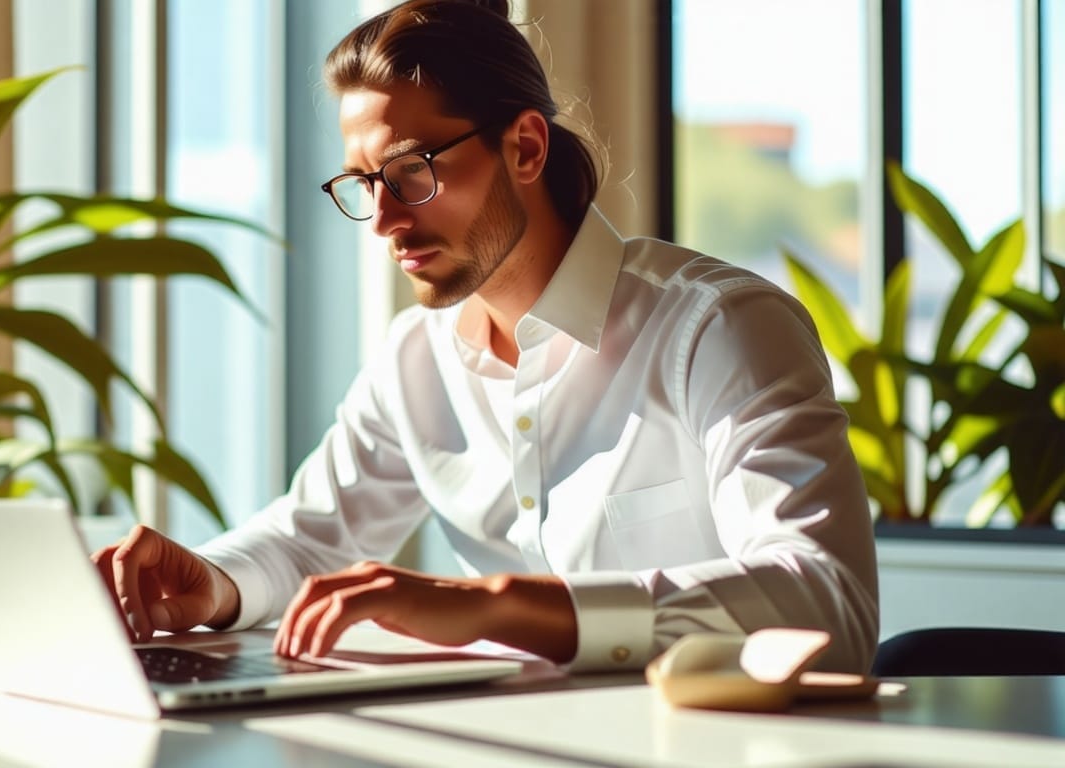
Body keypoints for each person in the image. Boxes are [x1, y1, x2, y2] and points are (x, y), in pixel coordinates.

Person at [93, 0, 878, 674]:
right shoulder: (416, 360)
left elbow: (825, 603)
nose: (386, 221)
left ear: (526, 147)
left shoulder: (719, 327)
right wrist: (213, 583)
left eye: (411, 171)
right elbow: (307, 540)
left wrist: (498, 607)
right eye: (364, 185)